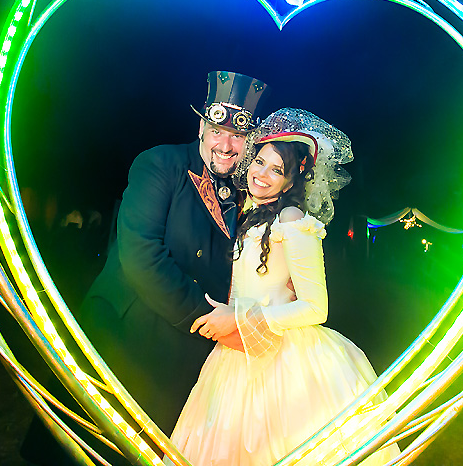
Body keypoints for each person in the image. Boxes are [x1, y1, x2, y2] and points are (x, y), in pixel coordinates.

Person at [22, 71, 271, 466]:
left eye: (237, 136)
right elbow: (141, 254)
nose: (226, 144)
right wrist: (211, 319)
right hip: (127, 333)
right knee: (89, 448)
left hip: (183, 350)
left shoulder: (250, 190)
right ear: (201, 126)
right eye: (217, 129)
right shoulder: (160, 163)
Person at [168, 108, 399, 466]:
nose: (262, 174)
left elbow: (315, 307)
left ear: (291, 182)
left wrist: (241, 317)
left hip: (285, 361)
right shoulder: (248, 212)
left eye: (277, 169)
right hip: (238, 354)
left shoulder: (292, 219)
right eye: (260, 162)